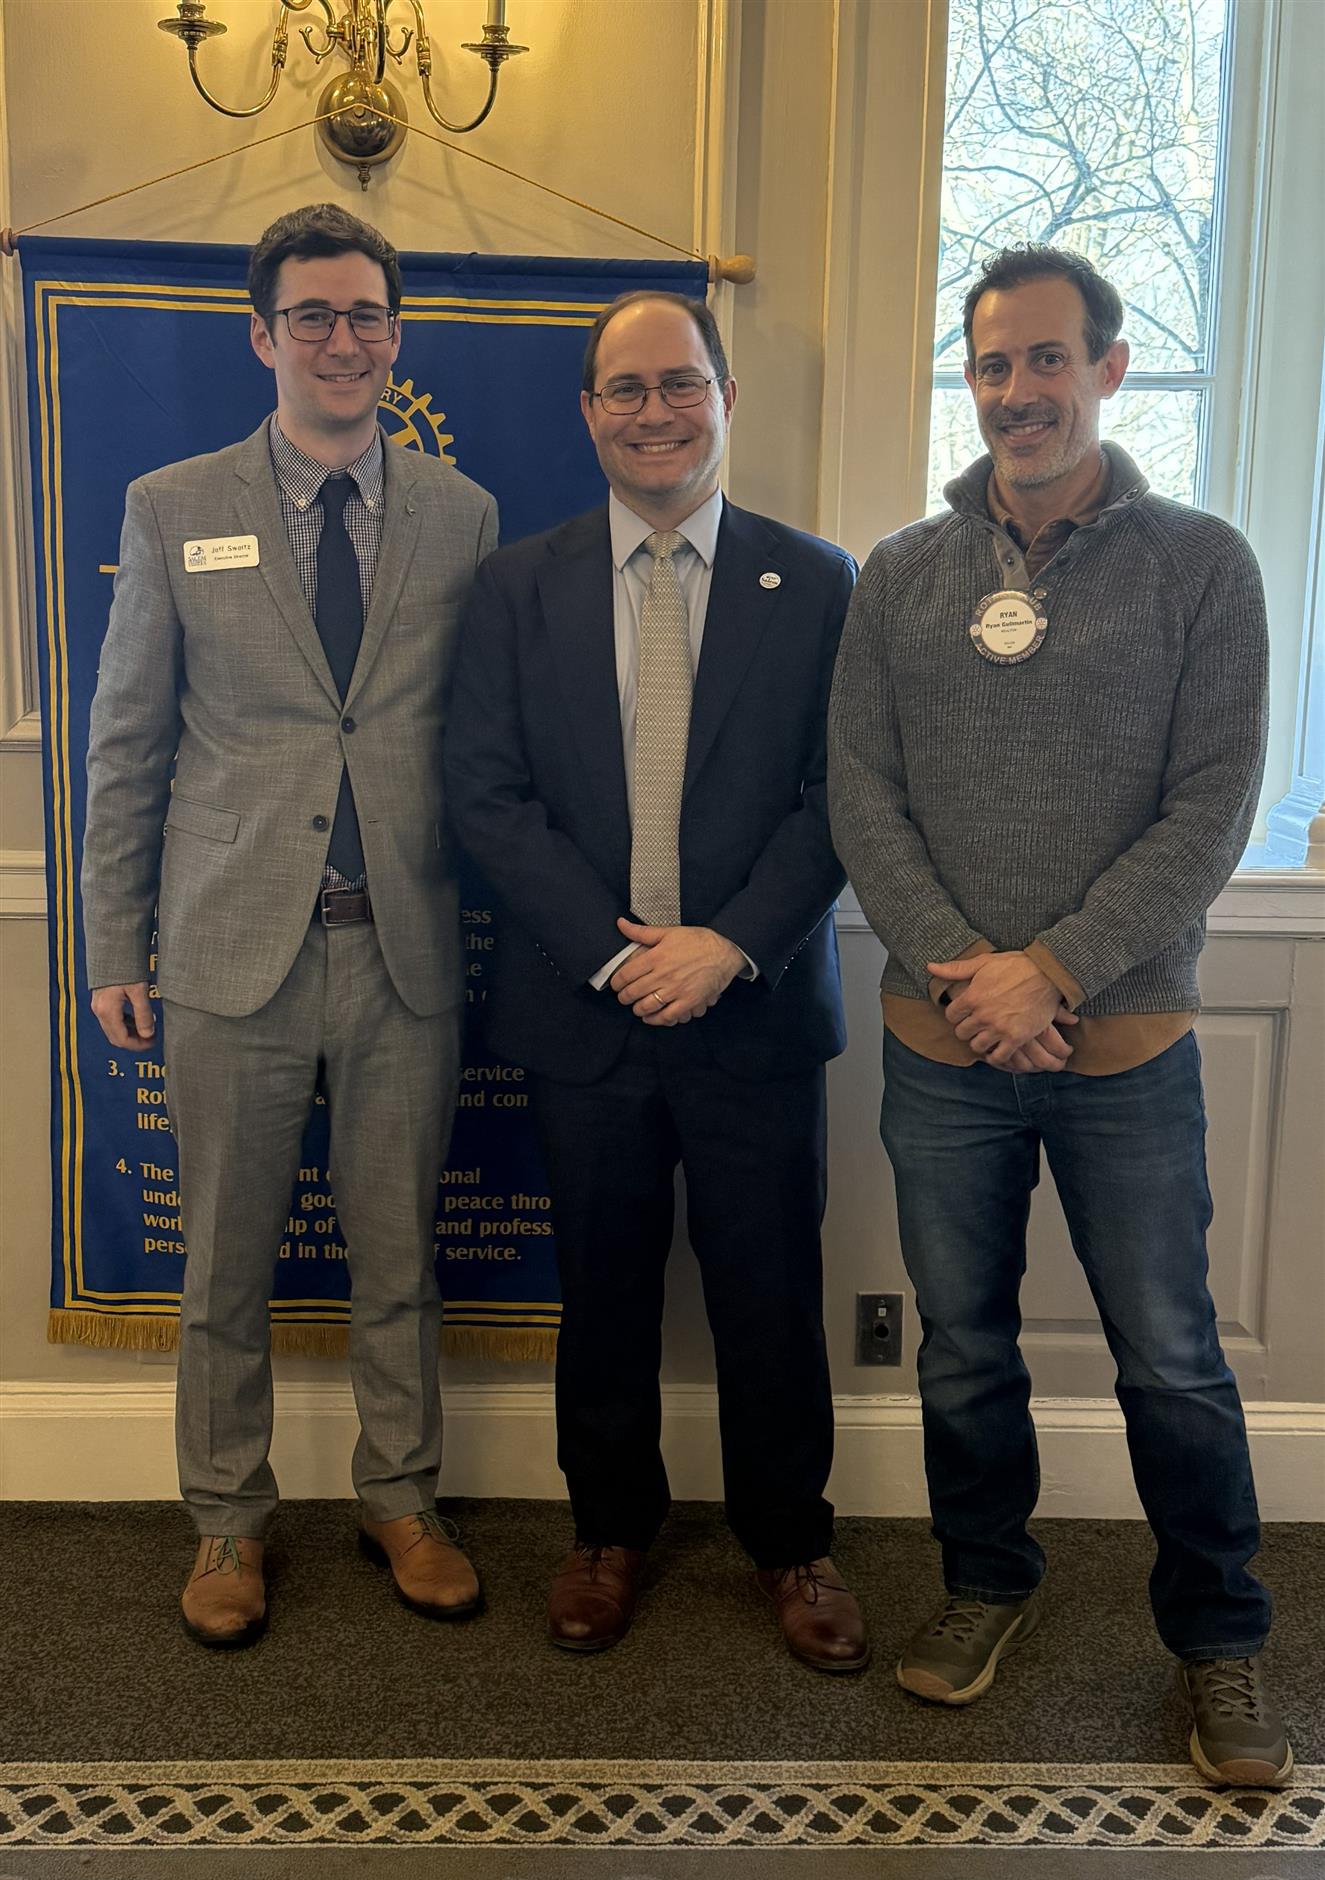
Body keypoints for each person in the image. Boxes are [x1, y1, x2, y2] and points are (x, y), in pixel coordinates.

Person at [828, 242, 1291, 1786]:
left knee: (1169, 1356)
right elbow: (861, 795)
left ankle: (1217, 1639)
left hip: (1125, 1050)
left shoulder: (1203, 566)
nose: (1015, 391)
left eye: (1044, 358)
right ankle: (983, 1585)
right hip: (941, 1047)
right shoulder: (898, 575)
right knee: (963, 1350)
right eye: (989, 363)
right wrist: (970, 971)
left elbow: (1210, 808)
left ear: (1106, 368)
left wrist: (1057, 971)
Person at [83, 204, 498, 1646]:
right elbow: (127, 741)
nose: (342, 340)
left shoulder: (461, 512)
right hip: (225, 952)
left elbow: (479, 733)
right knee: (223, 1267)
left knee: (398, 1258)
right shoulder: (171, 504)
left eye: (366, 314)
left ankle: (402, 1499)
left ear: (396, 335)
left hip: (402, 948)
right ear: (262, 337)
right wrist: (113, 945)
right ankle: (226, 1521)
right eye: (313, 315)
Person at [445, 291, 868, 1671]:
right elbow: (486, 795)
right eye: (624, 389)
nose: (654, 412)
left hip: (754, 1005)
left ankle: (791, 1541)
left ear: (724, 398)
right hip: (588, 1011)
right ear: (588, 414)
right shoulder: (516, 586)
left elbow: (842, 797)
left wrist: (728, 944)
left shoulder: (817, 583)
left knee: (769, 1290)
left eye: (679, 384)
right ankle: (607, 1531)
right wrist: (620, 953)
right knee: (605, 1291)